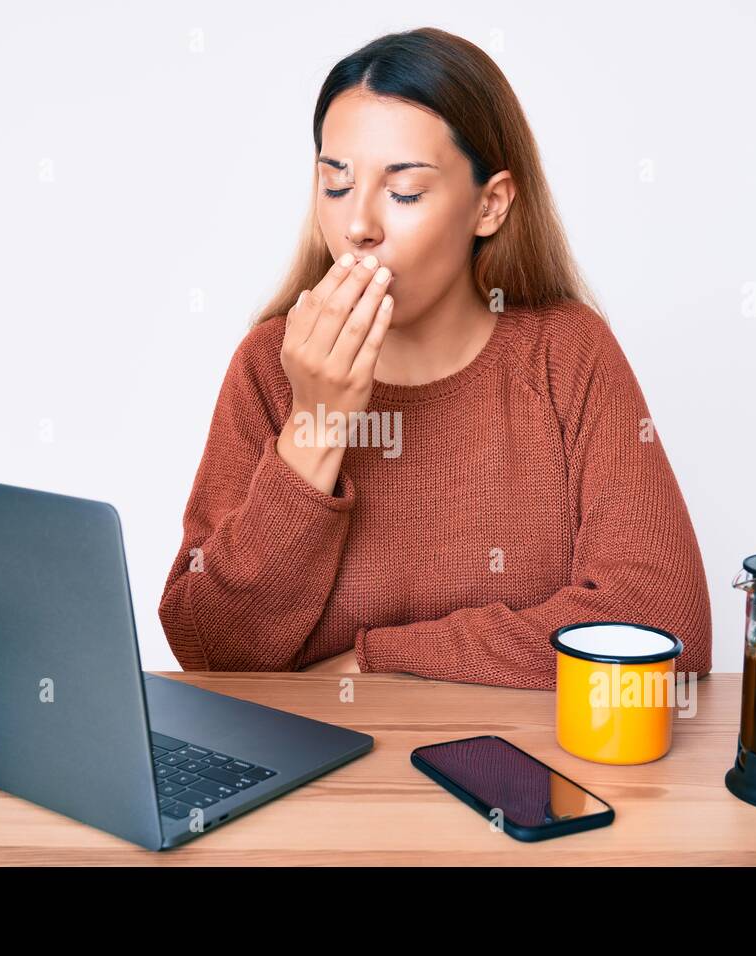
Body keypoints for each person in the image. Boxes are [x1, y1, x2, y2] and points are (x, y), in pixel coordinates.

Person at [158, 27, 711, 689]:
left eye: (405, 192)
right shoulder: (267, 364)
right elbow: (214, 656)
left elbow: (664, 629)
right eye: (336, 186)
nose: (358, 225)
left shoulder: (568, 354)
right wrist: (316, 426)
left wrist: (379, 662)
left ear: (490, 205)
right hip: (321, 785)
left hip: (521, 775)